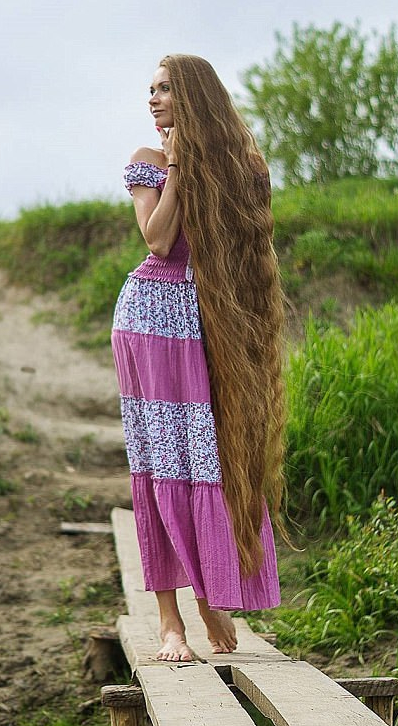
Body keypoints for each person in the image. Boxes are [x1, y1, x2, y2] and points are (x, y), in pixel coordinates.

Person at [111, 54, 286, 662]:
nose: (153, 99)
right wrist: (179, 164)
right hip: (150, 320)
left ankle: (211, 596)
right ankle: (170, 623)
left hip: (205, 322)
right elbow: (158, 238)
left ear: (193, 96)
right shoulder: (150, 162)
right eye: (150, 89)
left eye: (164, 89)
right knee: (159, 458)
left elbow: (245, 250)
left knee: (205, 456)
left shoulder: (237, 167)